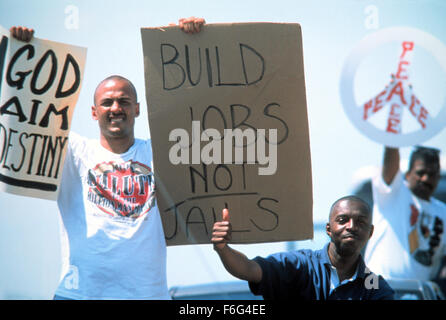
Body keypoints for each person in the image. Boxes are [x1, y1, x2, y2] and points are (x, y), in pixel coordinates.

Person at [10, 17, 205, 300]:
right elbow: (26, 117)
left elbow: (199, 116)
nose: (116, 108)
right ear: (93, 112)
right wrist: (19, 53)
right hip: (78, 295)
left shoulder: (159, 154)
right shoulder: (72, 153)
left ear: (137, 109)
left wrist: (193, 43)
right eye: (107, 102)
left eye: (124, 101)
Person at [212, 196, 395, 300]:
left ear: (370, 232)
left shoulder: (376, 289)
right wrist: (222, 248)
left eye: (361, 222)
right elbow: (250, 270)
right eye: (342, 220)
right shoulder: (300, 265)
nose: (351, 226)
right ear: (328, 230)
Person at [364, 146, 446, 286]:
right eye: (420, 173)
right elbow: (390, 160)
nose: (426, 179)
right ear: (407, 174)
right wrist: (394, 136)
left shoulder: (443, 212)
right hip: (378, 286)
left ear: (438, 178)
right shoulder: (393, 193)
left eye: (432, 175)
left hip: (419, 292)